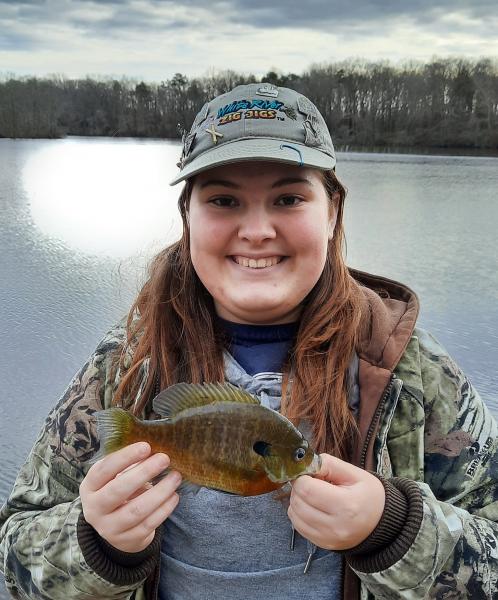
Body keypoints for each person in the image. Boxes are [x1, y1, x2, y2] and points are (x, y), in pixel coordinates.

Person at [1, 82, 497, 600]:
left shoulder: (410, 368)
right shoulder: (125, 364)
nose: (257, 230)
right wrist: (97, 545)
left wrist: (393, 531)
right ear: (187, 217)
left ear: (331, 213)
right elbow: (14, 555)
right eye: (223, 200)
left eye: (288, 198)